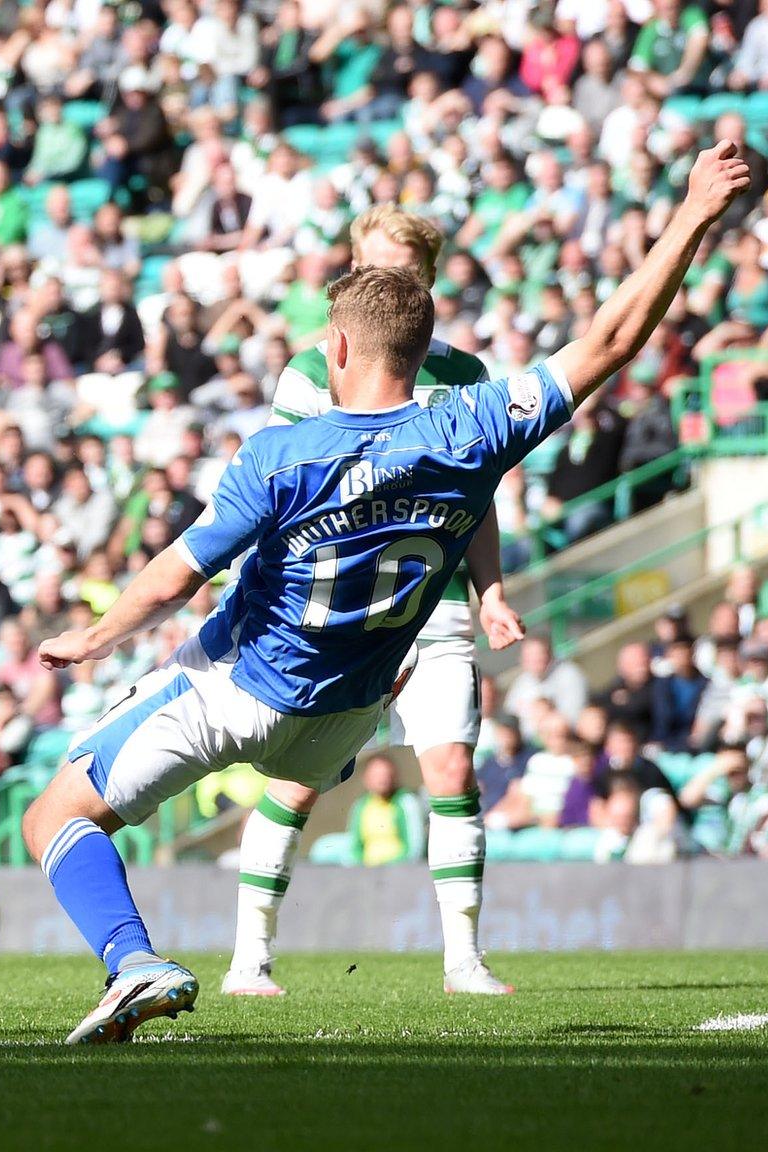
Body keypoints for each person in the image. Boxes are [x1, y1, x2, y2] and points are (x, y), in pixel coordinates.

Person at [19, 143, 750, 1043]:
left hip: (241, 689)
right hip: (350, 714)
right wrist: (692, 216)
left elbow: (179, 573)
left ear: (335, 345)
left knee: (53, 816)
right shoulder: (475, 425)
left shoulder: (280, 452)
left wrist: (94, 639)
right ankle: (316, 955)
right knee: (323, 774)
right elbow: (611, 339)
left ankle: (136, 963)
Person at [226, 205, 527, 999]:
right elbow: (280, 492)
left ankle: (464, 958)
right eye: (371, 269)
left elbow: (480, 495)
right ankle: (249, 957)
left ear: (427, 283)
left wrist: (490, 590)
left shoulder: (464, 377)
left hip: (431, 603)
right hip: (336, 613)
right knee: (297, 781)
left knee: (453, 767)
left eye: (400, 273)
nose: (384, 283)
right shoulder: (308, 372)